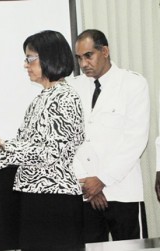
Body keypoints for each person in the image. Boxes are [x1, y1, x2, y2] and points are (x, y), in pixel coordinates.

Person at [0, 30, 85, 251]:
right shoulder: (40, 99)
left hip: (55, 199)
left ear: (49, 57)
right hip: (35, 197)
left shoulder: (66, 97)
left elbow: (49, 153)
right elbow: (20, 148)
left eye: (30, 58)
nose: (25, 65)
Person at [70, 29, 150, 243]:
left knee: (133, 248)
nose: (83, 63)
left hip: (123, 191)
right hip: (87, 193)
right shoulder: (72, 87)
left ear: (104, 51)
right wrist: (90, 185)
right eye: (79, 58)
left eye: (89, 55)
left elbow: (136, 139)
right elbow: (70, 139)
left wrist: (103, 179)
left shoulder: (133, 83)